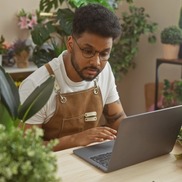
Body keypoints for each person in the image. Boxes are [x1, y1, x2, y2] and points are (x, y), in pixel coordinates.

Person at [19, 3, 126, 151]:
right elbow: (26, 149)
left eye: (104, 53)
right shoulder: (36, 85)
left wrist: (141, 136)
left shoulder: (104, 70)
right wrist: (75, 140)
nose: (96, 62)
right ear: (70, 44)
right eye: (88, 51)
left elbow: (117, 118)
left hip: (89, 163)